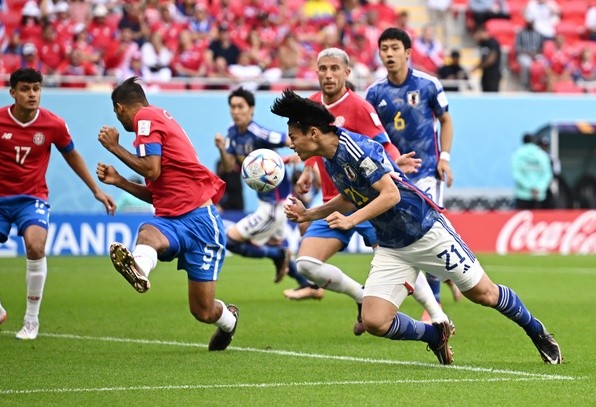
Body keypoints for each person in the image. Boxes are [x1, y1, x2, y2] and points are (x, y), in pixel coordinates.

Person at [272, 89, 563, 365]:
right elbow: (352, 197)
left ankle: (536, 331)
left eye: (293, 136)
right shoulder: (331, 159)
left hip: (425, 231)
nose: (291, 143)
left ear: (313, 133)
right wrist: (310, 213)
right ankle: (435, 334)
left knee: (484, 295)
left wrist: (352, 220)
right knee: (374, 321)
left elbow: (391, 194)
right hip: (392, 245)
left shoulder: (356, 148)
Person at [289, 47, 451, 337]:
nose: (328, 75)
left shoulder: (359, 107)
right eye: (323, 69)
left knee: (402, 256)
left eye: (334, 69)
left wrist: (394, 165)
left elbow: (384, 144)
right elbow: (311, 148)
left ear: (346, 73)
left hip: (367, 202)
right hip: (333, 202)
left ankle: (438, 315)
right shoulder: (310, 107)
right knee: (306, 265)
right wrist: (308, 172)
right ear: (316, 72)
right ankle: (362, 297)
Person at [0, 68, 116, 340]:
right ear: (13, 92)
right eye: (25, 89)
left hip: (32, 198)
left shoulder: (53, 125)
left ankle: (31, 319)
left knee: (36, 245)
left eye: (36, 89)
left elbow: (73, 156)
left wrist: (96, 190)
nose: (32, 94)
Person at [96, 77, 239, 351]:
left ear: (120, 108)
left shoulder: (146, 119)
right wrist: (120, 181)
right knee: (147, 232)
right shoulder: (156, 121)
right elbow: (157, 190)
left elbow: (151, 170)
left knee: (203, 311)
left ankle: (229, 321)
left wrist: (114, 147)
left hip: (200, 222)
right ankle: (138, 268)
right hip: (171, 219)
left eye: (116, 114)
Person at [365, 28, 461, 320]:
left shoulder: (428, 84)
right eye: (384, 49)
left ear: (407, 52)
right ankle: (446, 277)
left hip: (427, 171)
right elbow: (372, 137)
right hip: (395, 178)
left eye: (395, 48)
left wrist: (444, 158)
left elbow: (445, 121)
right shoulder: (374, 92)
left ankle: (434, 304)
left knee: (426, 230)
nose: (389, 54)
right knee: (406, 237)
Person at [214, 87, 319, 295]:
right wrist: (221, 149)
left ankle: (278, 255)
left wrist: (298, 154)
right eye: (232, 107)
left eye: (240, 107)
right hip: (265, 201)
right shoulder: (233, 133)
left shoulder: (258, 133)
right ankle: (310, 286)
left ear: (251, 109)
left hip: (275, 204)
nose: (236, 111)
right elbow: (228, 166)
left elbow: (290, 139)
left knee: (229, 241)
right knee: (273, 244)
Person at [512, 133, 553, 209]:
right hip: (539, 194)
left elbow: (517, 175)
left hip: (522, 194)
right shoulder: (542, 155)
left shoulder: (517, 154)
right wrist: (538, 188)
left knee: (523, 218)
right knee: (537, 219)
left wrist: (529, 188)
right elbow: (547, 175)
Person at [472, 25, 502, 92]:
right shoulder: (482, 44)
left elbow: (491, 59)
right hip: (485, 74)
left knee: (492, 95)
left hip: (493, 74)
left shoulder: (492, 42)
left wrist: (477, 67)